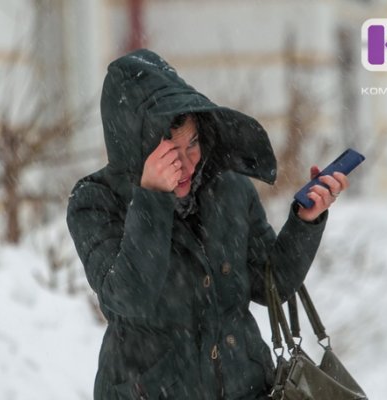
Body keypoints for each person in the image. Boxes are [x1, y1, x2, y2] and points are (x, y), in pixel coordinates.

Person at [66, 49, 349, 400]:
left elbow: (272, 283)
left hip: (245, 386)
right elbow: (129, 298)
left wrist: (306, 222)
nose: (188, 163)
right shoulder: (95, 202)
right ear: (138, 150)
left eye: (194, 143)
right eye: (170, 152)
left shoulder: (228, 188)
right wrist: (152, 198)